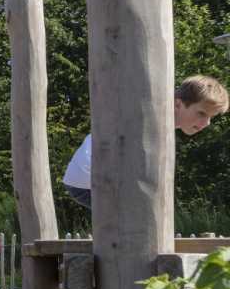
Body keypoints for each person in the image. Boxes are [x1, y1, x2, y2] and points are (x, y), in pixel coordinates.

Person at [62, 74, 228, 208]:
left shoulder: (163, 121)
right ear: (178, 104)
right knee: (139, 213)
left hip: (89, 176)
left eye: (211, 117)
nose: (206, 123)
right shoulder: (155, 116)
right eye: (201, 114)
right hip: (91, 177)